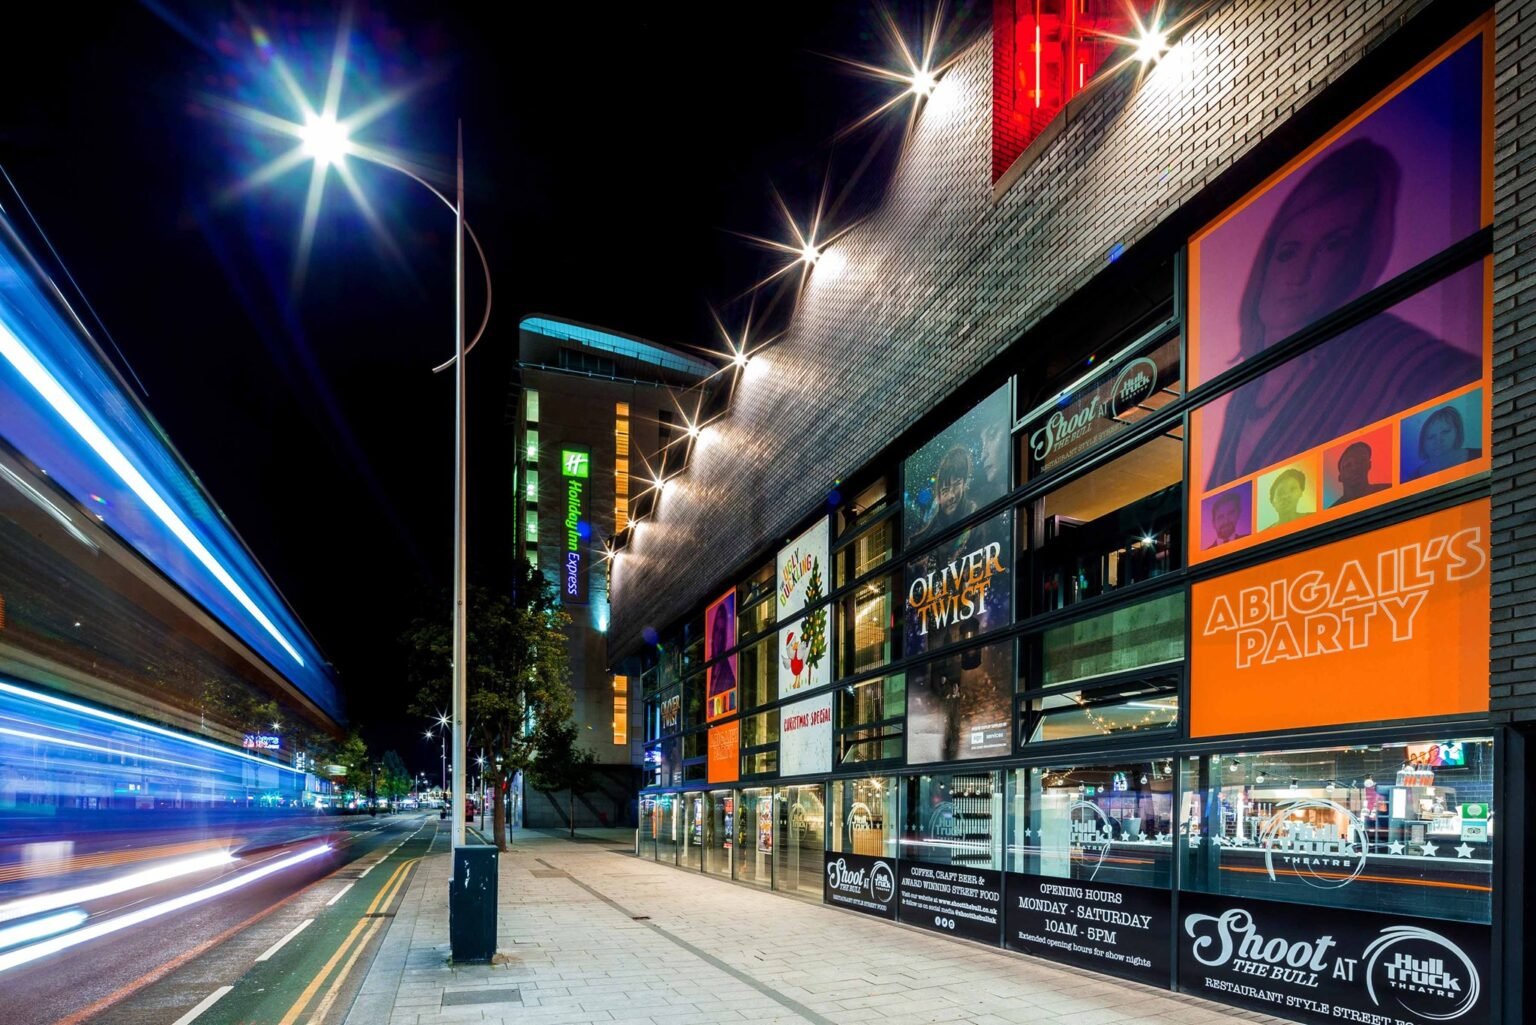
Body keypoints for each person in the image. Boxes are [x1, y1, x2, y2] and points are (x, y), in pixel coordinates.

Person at [1205, 139, 1482, 490]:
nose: (1299, 274)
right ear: (1265, 263)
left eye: (1331, 247)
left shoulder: (1392, 359)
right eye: (1288, 252)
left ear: (1358, 260)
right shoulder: (1245, 396)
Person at [915, 445, 978, 541]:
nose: (952, 496)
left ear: (964, 484)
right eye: (945, 490)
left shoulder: (975, 517)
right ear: (939, 497)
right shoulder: (925, 537)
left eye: (957, 484)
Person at [1410, 403, 1481, 479]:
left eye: (1445, 432)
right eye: (1431, 437)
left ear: (1457, 431)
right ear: (1423, 443)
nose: (1438, 440)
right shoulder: (1413, 477)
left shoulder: (1480, 455)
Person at [1330, 440, 1389, 506]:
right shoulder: (1330, 512)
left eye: (1362, 461)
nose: (1355, 467)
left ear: (1369, 465)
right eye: (1348, 464)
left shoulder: (1388, 490)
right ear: (1340, 477)